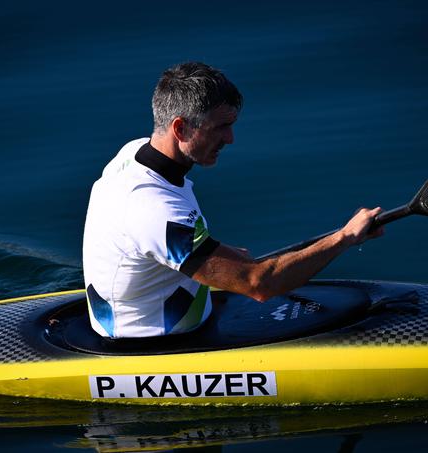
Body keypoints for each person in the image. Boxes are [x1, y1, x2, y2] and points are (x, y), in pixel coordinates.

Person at [83, 62, 383, 339]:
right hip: (151, 345)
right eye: (220, 127)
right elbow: (258, 285)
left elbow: (151, 236)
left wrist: (212, 252)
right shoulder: (153, 210)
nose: (230, 139)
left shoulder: (133, 155)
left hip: (152, 306)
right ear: (180, 128)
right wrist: (344, 237)